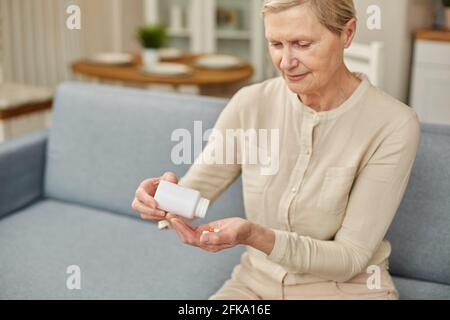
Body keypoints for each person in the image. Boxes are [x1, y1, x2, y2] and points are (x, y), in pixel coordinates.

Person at [131, 0, 421, 300]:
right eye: (276, 44)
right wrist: (159, 199)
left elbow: (349, 258)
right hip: (254, 286)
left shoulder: (393, 125)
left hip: (346, 290)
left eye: (302, 44)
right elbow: (195, 191)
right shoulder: (250, 103)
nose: (285, 61)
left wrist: (255, 235)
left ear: (347, 33)